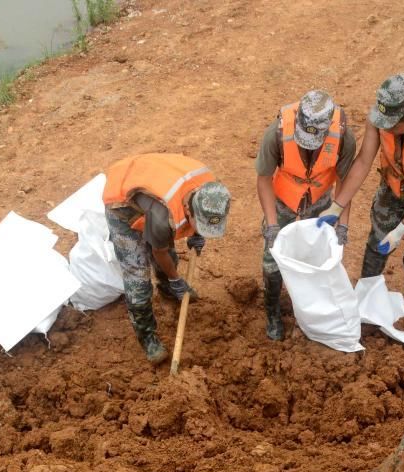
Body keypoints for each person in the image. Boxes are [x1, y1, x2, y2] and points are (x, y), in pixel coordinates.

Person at [317, 73, 404, 332]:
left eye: (393, 125)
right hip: (392, 189)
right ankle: (364, 296)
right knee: (376, 243)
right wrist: (337, 206)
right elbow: (363, 162)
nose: (386, 128)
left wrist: (402, 229)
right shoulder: (381, 119)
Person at [102, 153, 230, 363]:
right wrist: (175, 278)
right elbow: (158, 251)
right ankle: (147, 337)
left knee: (169, 255)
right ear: (189, 210)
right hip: (122, 203)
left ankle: (167, 289)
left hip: (150, 187)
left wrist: (198, 234)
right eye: (200, 224)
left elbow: (197, 220)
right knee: (138, 280)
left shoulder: (211, 192)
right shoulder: (163, 218)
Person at [255, 90, 357, 340]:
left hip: (320, 201)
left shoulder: (343, 136)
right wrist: (271, 224)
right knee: (272, 261)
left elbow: (345, 181)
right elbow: (264, 179)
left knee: (317, 256)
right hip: (283, 198)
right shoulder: (277, 133)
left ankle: (312, 310)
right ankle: (273, 310)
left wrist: (342, 221)